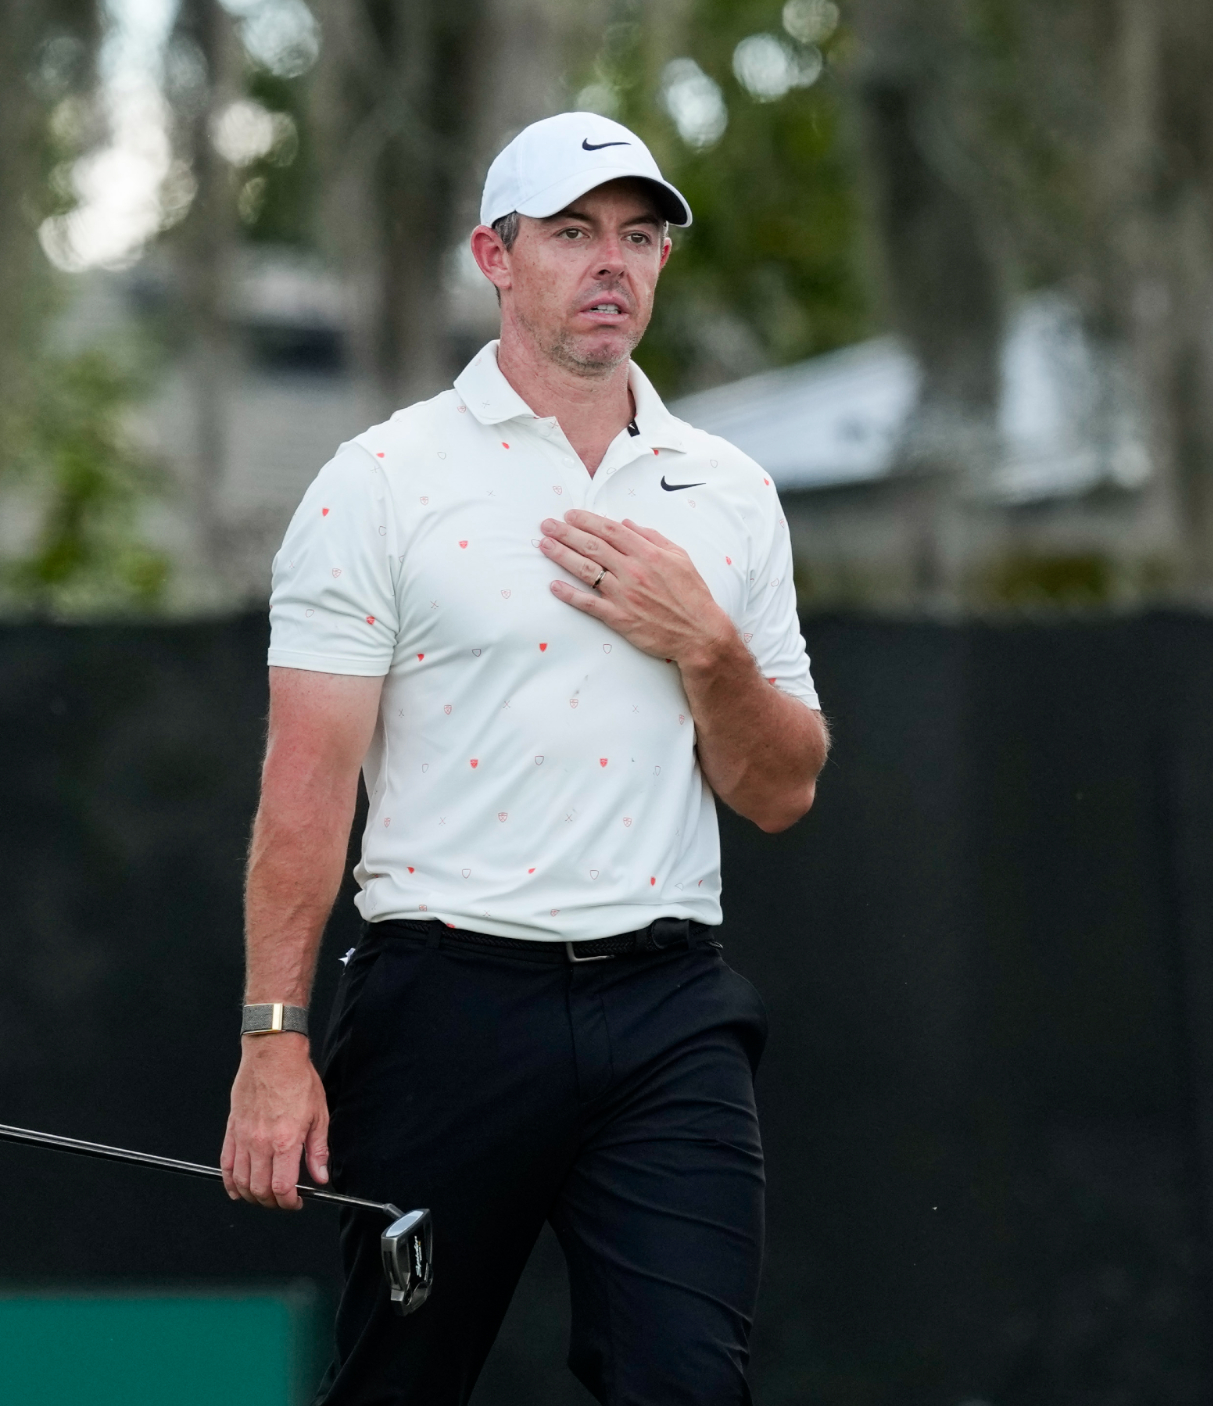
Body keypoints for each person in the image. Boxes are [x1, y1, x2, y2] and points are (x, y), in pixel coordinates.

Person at [223, 111, 827, 1403]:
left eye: (640, 235)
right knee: (401, 1381)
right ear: (494, 257)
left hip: (670, 1009)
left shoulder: (727, 492)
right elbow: (306, 788)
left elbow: (781, 788)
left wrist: (708, 648)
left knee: (687, 1382)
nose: (614, 261)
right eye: (572, 233)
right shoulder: (379, 481)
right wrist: (274, 1040)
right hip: (444, 1006)